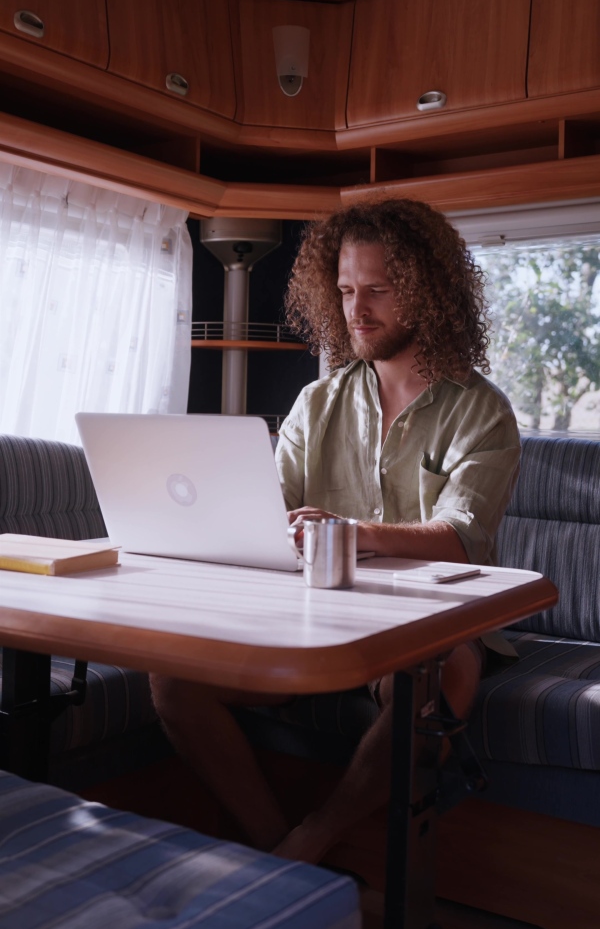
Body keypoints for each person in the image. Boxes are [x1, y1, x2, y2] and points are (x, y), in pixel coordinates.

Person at [150, 198, 521, 864]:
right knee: (171, 680)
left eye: (377, 289)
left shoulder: (483, 410)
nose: (357, 308)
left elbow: (460, 536)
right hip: (310, 615)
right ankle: (275, 850)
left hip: (426, 618)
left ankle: (309, 844)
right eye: (347, 290)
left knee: (442, 675)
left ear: (428, 292)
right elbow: (264, 506)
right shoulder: (316, 402)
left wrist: (353, 531)